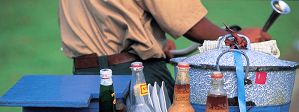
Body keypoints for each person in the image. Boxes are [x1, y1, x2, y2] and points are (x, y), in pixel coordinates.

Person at [58, 0, 271, 99]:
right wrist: (234, 37)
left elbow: (108, 19)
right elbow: (189, 23)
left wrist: (152, 42)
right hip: (135, 76)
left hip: (83, 79)